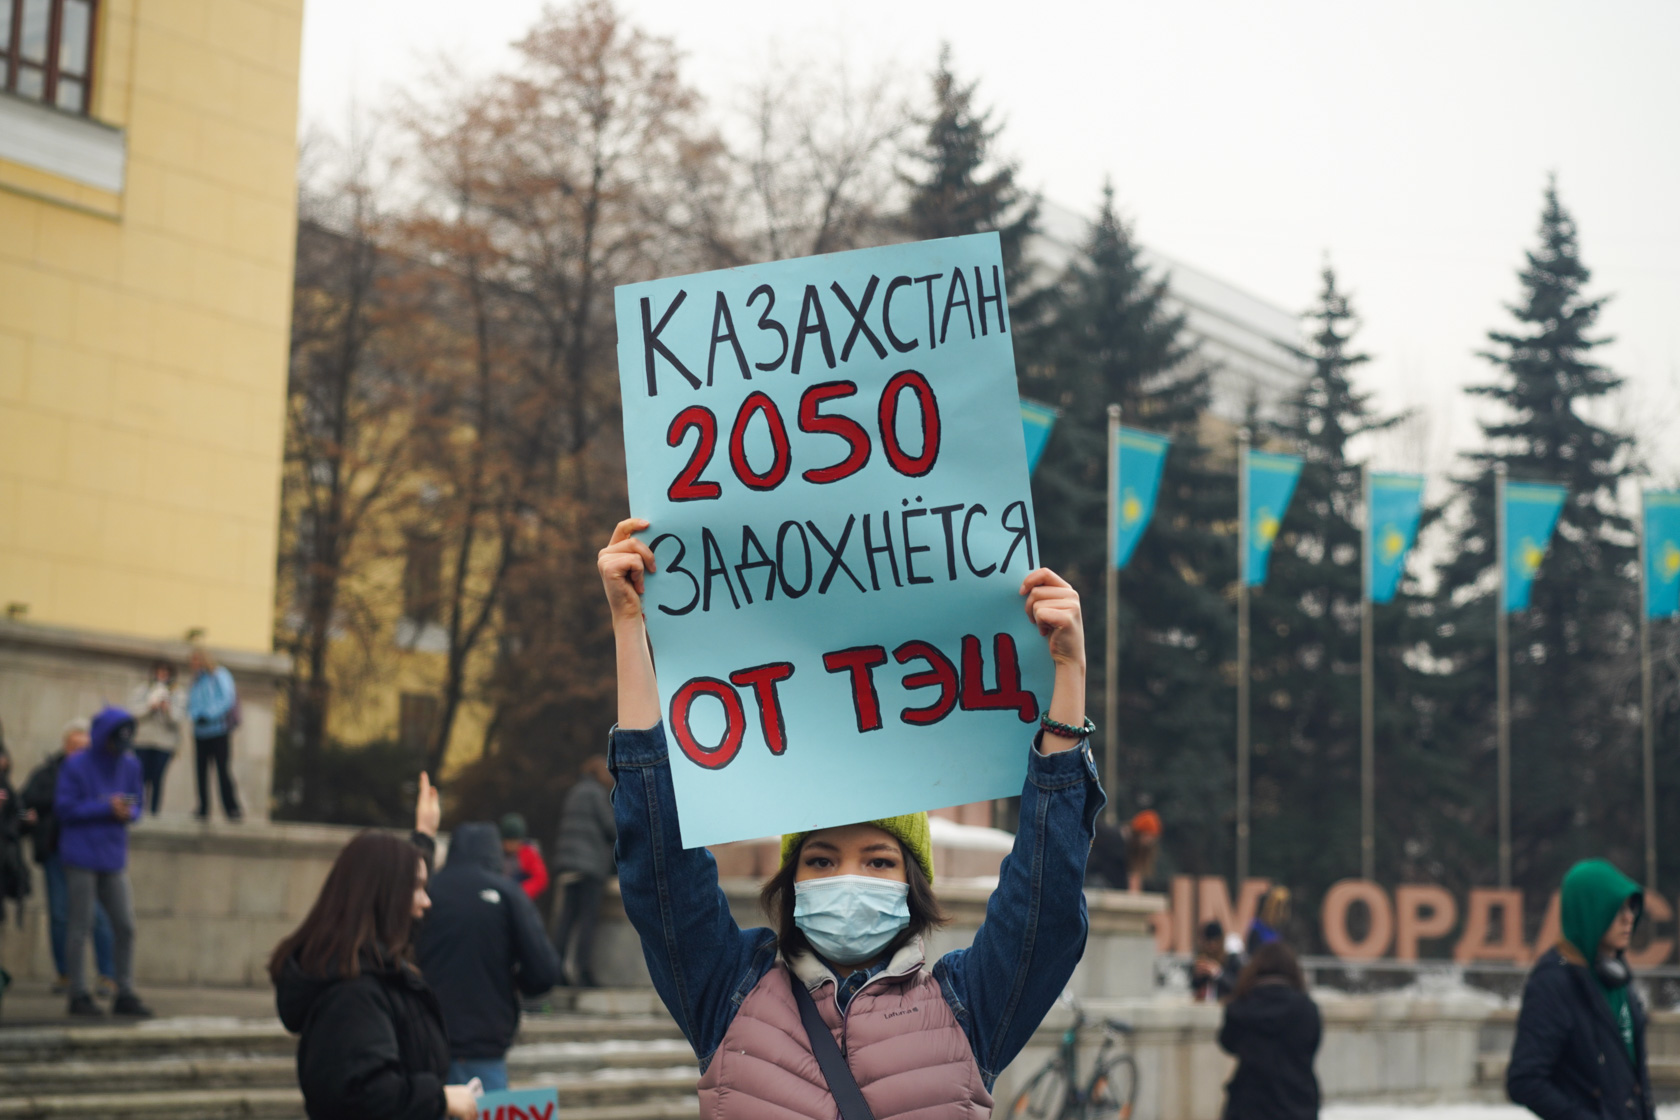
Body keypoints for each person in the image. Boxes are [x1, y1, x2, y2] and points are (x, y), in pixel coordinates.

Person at [598, 517, 1102, 1114]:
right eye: (820, 860)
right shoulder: (727, 991)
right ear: (791, 879)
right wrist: (629, 628)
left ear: (913, 883)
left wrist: (1069, 675)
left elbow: (1045, 903)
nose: (848, 878)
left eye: (879, 861)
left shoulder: (968, 1008)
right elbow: (659, 862)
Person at [272, 806, 478, 1120]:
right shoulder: (353, 995)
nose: (427, 902)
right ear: (386, 897)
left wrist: (423, 838)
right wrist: (440, 1099)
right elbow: (366, 1096)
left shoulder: (373, 969)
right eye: (416, 888)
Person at [417, 821, 563, 1091]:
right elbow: (544, 972)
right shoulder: (508, 893)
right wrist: (512, 980)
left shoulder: (426, 892)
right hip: (483, 1043)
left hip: (423, 1043)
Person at [1508, 859, 1652, 1120]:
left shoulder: (1618, 977)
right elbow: (1525, 1080)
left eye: (1631, 907)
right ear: (1590, 912)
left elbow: (1635, 1079)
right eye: (1616, 909)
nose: (1629, 918)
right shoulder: (1553, 982)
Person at [55, 705, 152, 1017]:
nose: (118, 749)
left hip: (112, 856)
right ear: (102, 737)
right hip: (80, 854)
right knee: (80, 925)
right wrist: (105, 807)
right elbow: (64, 808)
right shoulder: (76, 764)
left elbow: (137, 801)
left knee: (125, 925)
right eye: (114, 742)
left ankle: (125, 991)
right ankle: (78, 994)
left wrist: (128, 810)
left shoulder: (130, 764)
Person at [21, 719, 117, 995]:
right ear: (65, 746)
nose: (79, 752)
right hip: (56, 852)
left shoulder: (104, 772)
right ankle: (66, 974)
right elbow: (23, 805)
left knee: (98, 916)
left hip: (90, 855)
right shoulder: (48, 773)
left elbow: (130, 799)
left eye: (84, 747)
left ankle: (107, 975)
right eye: (75, 746)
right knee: (60, 914)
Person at [1218, 941, 1322, 1120]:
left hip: (1250, 1105)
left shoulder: (1241, 1007)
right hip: (1298, 1103)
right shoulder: (1306, 1008)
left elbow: (1228, 1043)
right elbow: (1312, 1045)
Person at [551, 756, 616, 988]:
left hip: (568, 865)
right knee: (587, 920)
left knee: (566, 920)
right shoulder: (596, 794)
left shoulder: (575, 792)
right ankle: (583, 971)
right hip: (589, 866)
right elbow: (611, 827)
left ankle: (555, 970)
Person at [187, 646, 242, 822]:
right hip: (200, 732)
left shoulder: (219, 675)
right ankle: (203, 807)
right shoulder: (196, 680)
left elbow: (227, 698)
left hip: (218, 731)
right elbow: (191, 702)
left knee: (222, 770)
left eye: (196, 660)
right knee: (201, 771)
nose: (193, 664)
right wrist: (196, 715)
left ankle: (231, 807)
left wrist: (209, 714)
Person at [128, 661, 185, 814]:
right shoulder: (143, 689)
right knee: (140, 777)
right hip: (143, 740)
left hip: (164, 743)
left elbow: (178, 719)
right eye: (159, 672)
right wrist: (150, 707)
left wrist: (167, 709)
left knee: (157, 778)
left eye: (165, 673)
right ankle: (137, 809)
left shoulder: (177, 693)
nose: (162, 676)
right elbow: (133, 713)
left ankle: (154, 812)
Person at [497, 813, 549, 903]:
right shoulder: (496, 852)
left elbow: (540, 879)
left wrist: (519, 893)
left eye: (514, 841)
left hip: (518, 898)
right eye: (508, 841)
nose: (511, 845)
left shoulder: (528, 853)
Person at [1192, 920, 1240, 1003]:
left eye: (1215, 942)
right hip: (1203, 1007)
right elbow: (1192, 988)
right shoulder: (1200, 959)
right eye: (1208, 943)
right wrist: (1198, 976)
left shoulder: (1232, 960)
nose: (1212, 947)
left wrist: (1218, 973)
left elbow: (1238, 986)